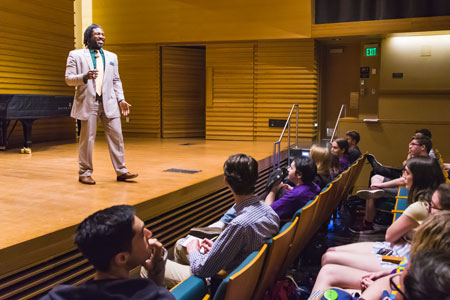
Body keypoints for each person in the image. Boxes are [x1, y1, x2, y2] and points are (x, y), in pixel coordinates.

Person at [308, 157, 445, 295]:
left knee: (329, 258)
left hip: (399, 255)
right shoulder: (427, 202)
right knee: (330, 253)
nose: (403, 177)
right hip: (402, 256)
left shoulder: (420, 207)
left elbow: (390, 236)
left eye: (407, 173)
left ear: (419, 178)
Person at [158, 154, 280, 288]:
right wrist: (217, 249)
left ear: (226, 181)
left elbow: (202, 270)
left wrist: (194, 250)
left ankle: (190, 291)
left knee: (152, 266)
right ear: (256, 179)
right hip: (248, 278)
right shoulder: (270, 212)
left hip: (223, 282)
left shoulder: (239, 226)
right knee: (179, 246)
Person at [41, 205, 174, 300]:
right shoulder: (157, 295)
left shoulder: (58, 296)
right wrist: (156, 273)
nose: (149, 234)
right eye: (141, 234)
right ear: (122, 258)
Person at [65, 24, 137, 185]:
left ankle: (122, 171)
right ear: (88, 37)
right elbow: (68, 79)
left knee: (117, 136)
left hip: (110, 102)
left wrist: (121, 99)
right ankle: (84, 172)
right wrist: (84, 76)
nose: (101, 37)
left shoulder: (112, 57)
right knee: (87, 139)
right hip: (88, 102)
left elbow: (116, 80)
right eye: (97, 34)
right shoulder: (75, 55)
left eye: (103, 34)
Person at [352, 135, 434, 233]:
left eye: (413, 144)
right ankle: (376, 191)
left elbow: (403, 180)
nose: (410, 147)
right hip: (407, 185)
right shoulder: (420, 160)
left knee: (372, 192)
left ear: (423, 147)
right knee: (376, 177)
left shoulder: (421, 163)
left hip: (409, 191)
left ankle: (368, 222)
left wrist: (381, 185)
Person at [265, 156, 321, 220]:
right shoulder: (314, 186)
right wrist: (292, 189)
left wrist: (274, 189)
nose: (288, 169)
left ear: (299, 175)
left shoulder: (294, 196)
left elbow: (267, 212)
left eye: (291, 168)